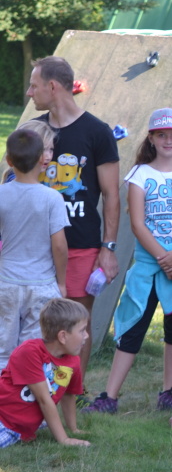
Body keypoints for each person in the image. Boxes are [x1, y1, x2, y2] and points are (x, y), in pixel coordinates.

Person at [84, 109, 172, 415]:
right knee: (134, 327)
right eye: (162, 135)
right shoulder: (140, 175)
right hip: (150, 266)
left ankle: (169, 392)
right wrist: (165, 260)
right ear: (151, 138)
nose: (168, 140)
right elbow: (138, 224)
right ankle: (109, 396)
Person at [27, 56, 120, 391]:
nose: (29, 93)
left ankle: (70, 393)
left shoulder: (97, 132)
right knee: (35, 323)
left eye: (34, 86)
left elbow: (111, 195)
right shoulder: (33, 132)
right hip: (36, 248)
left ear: (52, 87)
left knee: (78, 325)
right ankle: (34, 390)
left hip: (82, 246)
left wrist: (108, 248)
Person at [0, 128, 69, 370]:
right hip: (41, 284)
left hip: (6, 282)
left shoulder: (1, 194)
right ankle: (27, 392)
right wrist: (62, 282)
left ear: (9, 161)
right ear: (42, 159)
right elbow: (59, 245)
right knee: (33, 349)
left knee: (3, 349)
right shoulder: (52, 198)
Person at [0, 298, 91, 447]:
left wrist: (73, 429)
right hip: (4, 420)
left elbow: (68, 395)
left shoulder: (73, 361)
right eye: (82, 330)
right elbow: (44, 399)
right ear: (63, 336)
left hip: (20, 426)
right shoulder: (30, 352)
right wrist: (64, 439)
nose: (86, 335)